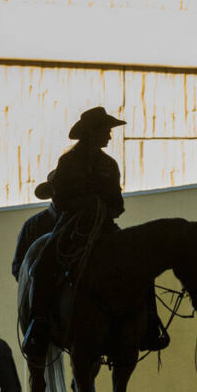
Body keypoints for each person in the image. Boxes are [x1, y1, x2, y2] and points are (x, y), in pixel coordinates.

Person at [21, 107, 127, 357]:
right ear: (93, 132)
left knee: (135, 260)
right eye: (106, 130)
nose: (110, 136)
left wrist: (106, 208)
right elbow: (60, 201)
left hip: (104, 227)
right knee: (43, 265)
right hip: (72, 227)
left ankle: (148, 324)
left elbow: (118, 203)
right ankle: (38, 324)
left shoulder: (109, 165)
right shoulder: (68, 162)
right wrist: (83, 206)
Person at [12, 201, 102, 392]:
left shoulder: (90, 221)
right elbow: (19, 267)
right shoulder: (34, 226)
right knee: (38, 367)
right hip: (48, 299)